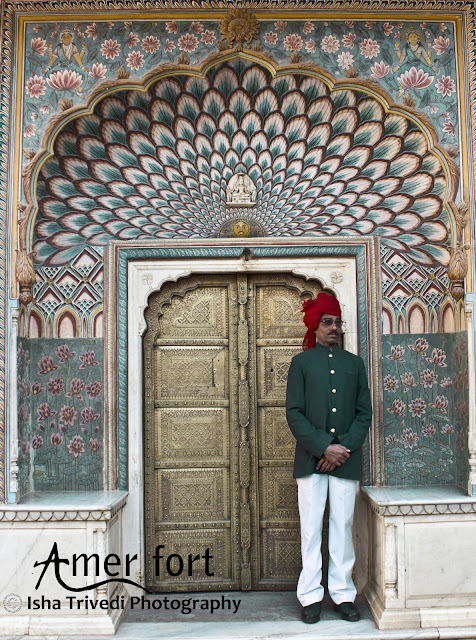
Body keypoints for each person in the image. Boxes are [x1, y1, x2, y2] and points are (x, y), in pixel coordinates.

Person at [286, 292, 372, 624]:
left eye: (337, 321)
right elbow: (294, 414)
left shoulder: (354, 364)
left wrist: (341, 450)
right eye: (327, 322)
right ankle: (309, 596)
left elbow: (363, 414)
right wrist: (324, 447)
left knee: (342, 526)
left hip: (345, 461)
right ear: (315, 326)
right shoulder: (301, 363)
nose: (334, 327)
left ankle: (342, 593)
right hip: (311, 460)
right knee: (311, 529)